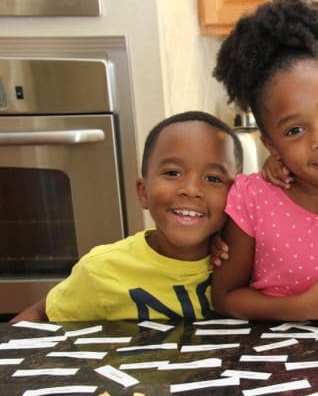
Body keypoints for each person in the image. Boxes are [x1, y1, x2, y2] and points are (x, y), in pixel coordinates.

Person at [210, 0, 318, 322]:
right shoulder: (252, 200)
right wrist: (302, 308)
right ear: (270, 144)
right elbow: (225, 298)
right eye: (294, 131)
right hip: (276, 366)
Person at [11, 111, 243, 322]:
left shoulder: (249, 263)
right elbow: (40, 314)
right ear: (143, 192)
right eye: (173, 173)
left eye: (213, 178)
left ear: (238, 197)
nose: (191, 190)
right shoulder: (102, 269)